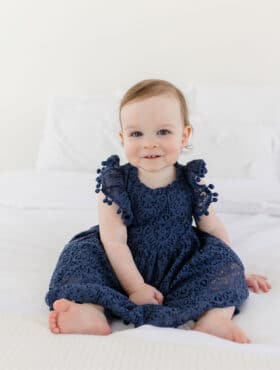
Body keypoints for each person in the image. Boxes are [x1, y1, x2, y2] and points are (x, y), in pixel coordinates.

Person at [46, 79, 271, 343]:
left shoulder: (191, 181)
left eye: (163, 132)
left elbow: (213, 228)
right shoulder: (116, 183)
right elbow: (113, 240)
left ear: (184, 136)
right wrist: (136, 287)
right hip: (123, 262)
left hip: (179, 263)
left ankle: (216, 320)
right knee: (81, 255)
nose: (149, 143)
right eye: (136, 134)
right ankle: (89, 311)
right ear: (122, 138)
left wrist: (234, 268)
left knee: (221, 263)